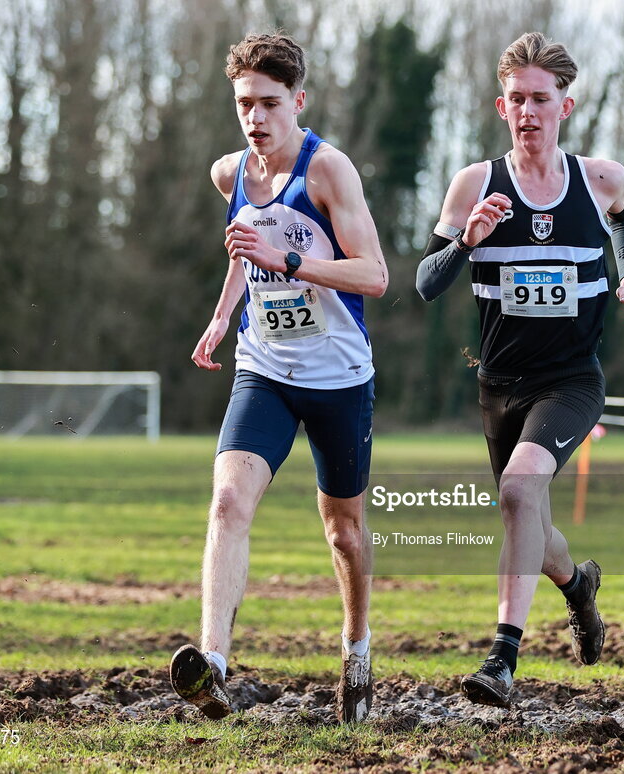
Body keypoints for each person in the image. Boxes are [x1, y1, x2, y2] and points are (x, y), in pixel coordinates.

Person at [416, 32, 624, 708]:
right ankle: (577, 584)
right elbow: (426, 285)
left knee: (521, 491)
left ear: (565, 107)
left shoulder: (599, 179)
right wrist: (467, 241)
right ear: (501, 105)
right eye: (516, 99)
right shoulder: (474, 185)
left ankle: (502, 657)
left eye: (540, 100)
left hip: (572, 380)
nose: (528, 112)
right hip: (500, 384)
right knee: (529, 518)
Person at [170, 32, 388, 724]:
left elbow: (376, 276)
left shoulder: (330, 173)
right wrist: (219, 315)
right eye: (244, 104)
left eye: (269, 103)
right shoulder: (228, 172)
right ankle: (213, 666)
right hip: (262, 367)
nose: (256, 118)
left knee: (344, 534)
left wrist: (289, 263)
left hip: (337, 377)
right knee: (228, 502)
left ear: (298, 100)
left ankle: (356, 646)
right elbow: (245, 244)